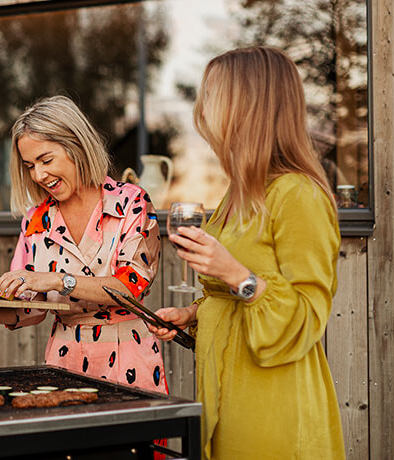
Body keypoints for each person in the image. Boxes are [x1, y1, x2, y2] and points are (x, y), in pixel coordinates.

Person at [149, 47, 346, 459]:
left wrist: (237, 275)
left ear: (248, 107)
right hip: (226, 395)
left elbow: (309, 316)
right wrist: (193, 315)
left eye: (214, 96)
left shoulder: (298, 194)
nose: (204, 108)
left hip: (273, 405)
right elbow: (233, 298)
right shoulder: (239, 196)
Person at [0, 95, 167, 393]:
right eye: (30, 165)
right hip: (62, 364)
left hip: (128, 360)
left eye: (46, 160)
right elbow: (27, 309)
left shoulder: (131, 202)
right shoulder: (36, 220)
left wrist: (57, 281)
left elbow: (130, 287)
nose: (39, 175)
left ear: (77, 147)